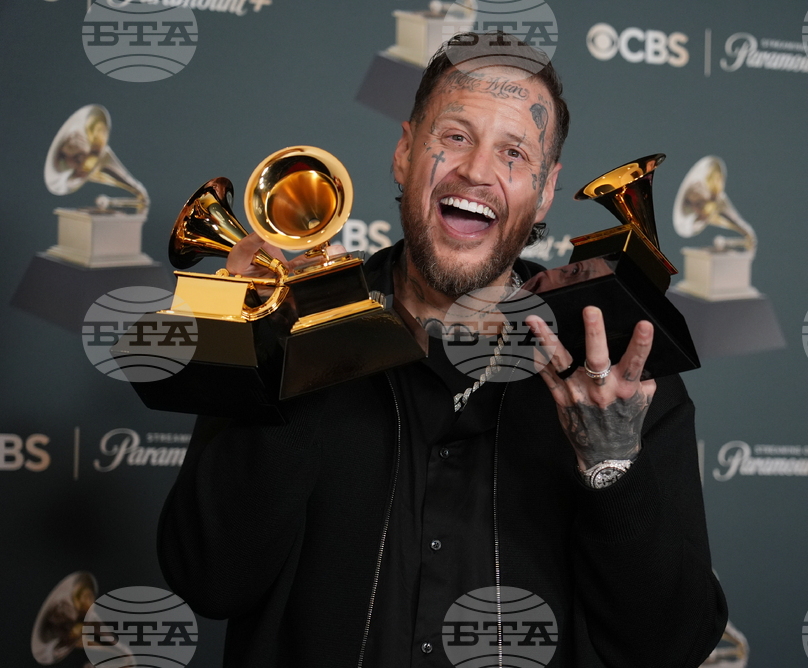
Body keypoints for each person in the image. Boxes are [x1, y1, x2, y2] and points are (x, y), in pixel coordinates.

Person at [158, 32, 727, 667]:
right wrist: (292, 353)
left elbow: (669, 646)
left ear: (544, 190)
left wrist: (611, 465)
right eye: (454, 136)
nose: (476, 171)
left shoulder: (618, 368)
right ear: (404, 152)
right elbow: (210, 580)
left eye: (513, 152)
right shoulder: (283, 333)